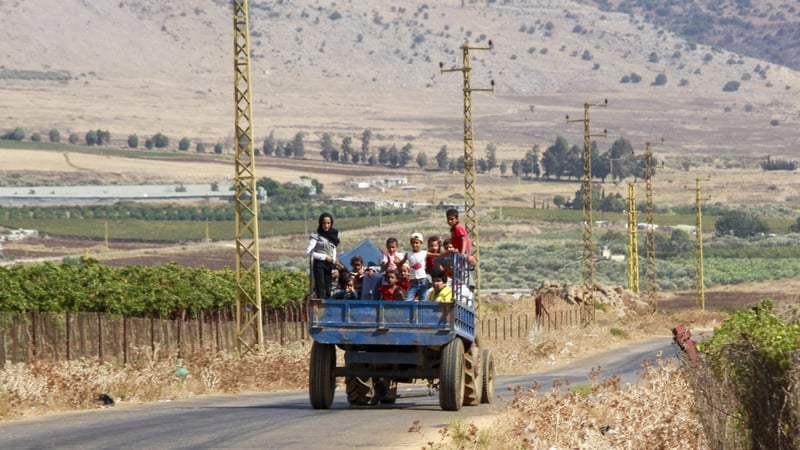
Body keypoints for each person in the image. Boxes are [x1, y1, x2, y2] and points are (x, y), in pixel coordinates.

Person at [306, 212, 340, 299]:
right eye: (324, 223)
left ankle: (328, 309)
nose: (326, 225)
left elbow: (333, 248)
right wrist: (324, 257)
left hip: (329, 264)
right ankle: (321, 310)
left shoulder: (333, 234)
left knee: (329, 288)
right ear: (320, 223)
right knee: (321, 288)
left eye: (328, 223)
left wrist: (334, 261)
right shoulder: (316, 235)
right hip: (319, 264)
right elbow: (309, 252)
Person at [405, 232, 428, 301]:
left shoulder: (424, 253)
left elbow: (437, 255)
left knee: (423, 299)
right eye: (413, 243)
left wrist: (448, 252)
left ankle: (423, 311)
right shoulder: (408, 254)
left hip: (423, 280)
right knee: (408, 299)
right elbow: (400, 263)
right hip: (413, 281)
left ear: (421, 243)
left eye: (417, 243)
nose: (415, 245)